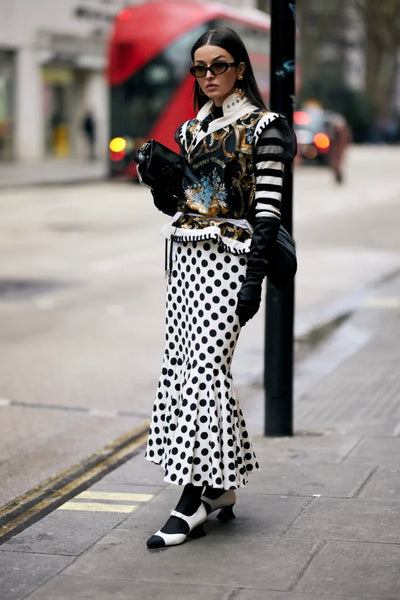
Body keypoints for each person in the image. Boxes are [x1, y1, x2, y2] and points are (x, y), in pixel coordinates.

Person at [142, 27, 296, 549]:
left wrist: (253, 283)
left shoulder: (265, 127)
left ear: (241, 68)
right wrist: (160, 180)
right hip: (184, 262)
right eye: (200, 68)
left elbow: (269, 213)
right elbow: (186, 204)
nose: (208, 76)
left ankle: (190, 506)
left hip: (229, 265)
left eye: (220, 65)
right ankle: (221, 488)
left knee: (205, 373)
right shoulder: (192, 129)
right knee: (187, 371)